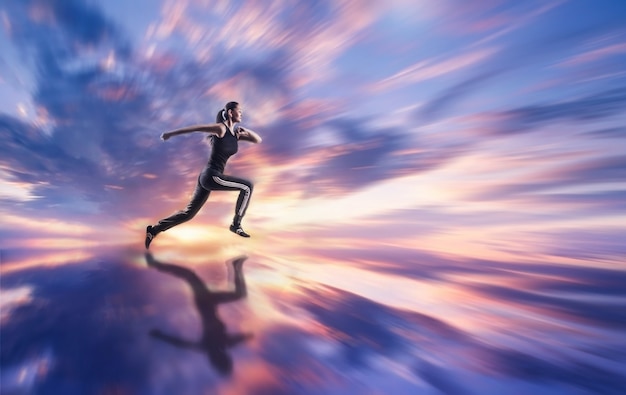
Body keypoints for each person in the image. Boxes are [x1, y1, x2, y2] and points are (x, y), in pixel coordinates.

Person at [145, 101, 262, 249]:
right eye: (239, 111)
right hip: (212, 176)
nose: (241, 113)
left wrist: (245, 131)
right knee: (247, 186)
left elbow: (257, 140)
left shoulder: (235, 135)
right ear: (230, 112)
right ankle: (236, 224)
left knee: (188, 214)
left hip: (208, 177)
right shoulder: (221, 129)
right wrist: (170, 134)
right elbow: (196, 128)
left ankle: (153, 230)